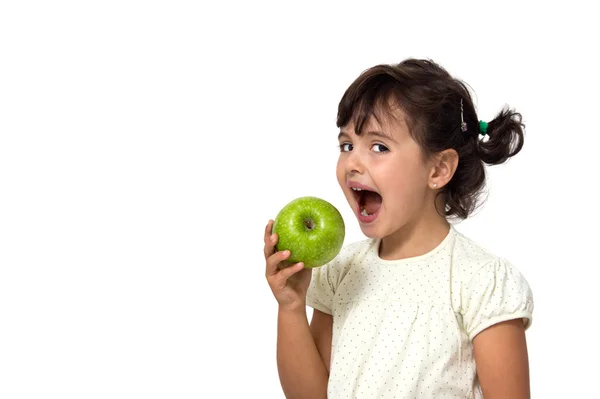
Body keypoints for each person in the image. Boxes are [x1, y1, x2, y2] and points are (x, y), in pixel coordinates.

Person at [263, 58, 534, 399]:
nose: (352, 164)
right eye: (347, 145)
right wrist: (290, 306)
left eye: (379, 147)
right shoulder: (341, 271)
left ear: (438, 169)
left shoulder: (480, 281)